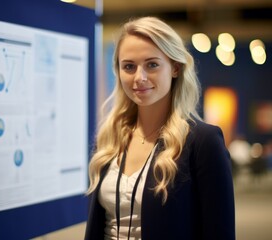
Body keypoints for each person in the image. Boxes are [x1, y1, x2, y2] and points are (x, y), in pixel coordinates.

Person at [85, 16, 235, 240]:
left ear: (175, 68)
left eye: (152, 65)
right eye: (129, 66)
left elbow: (219, 233)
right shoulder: (110, 138)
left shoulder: (202, 141)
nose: (139, 77)